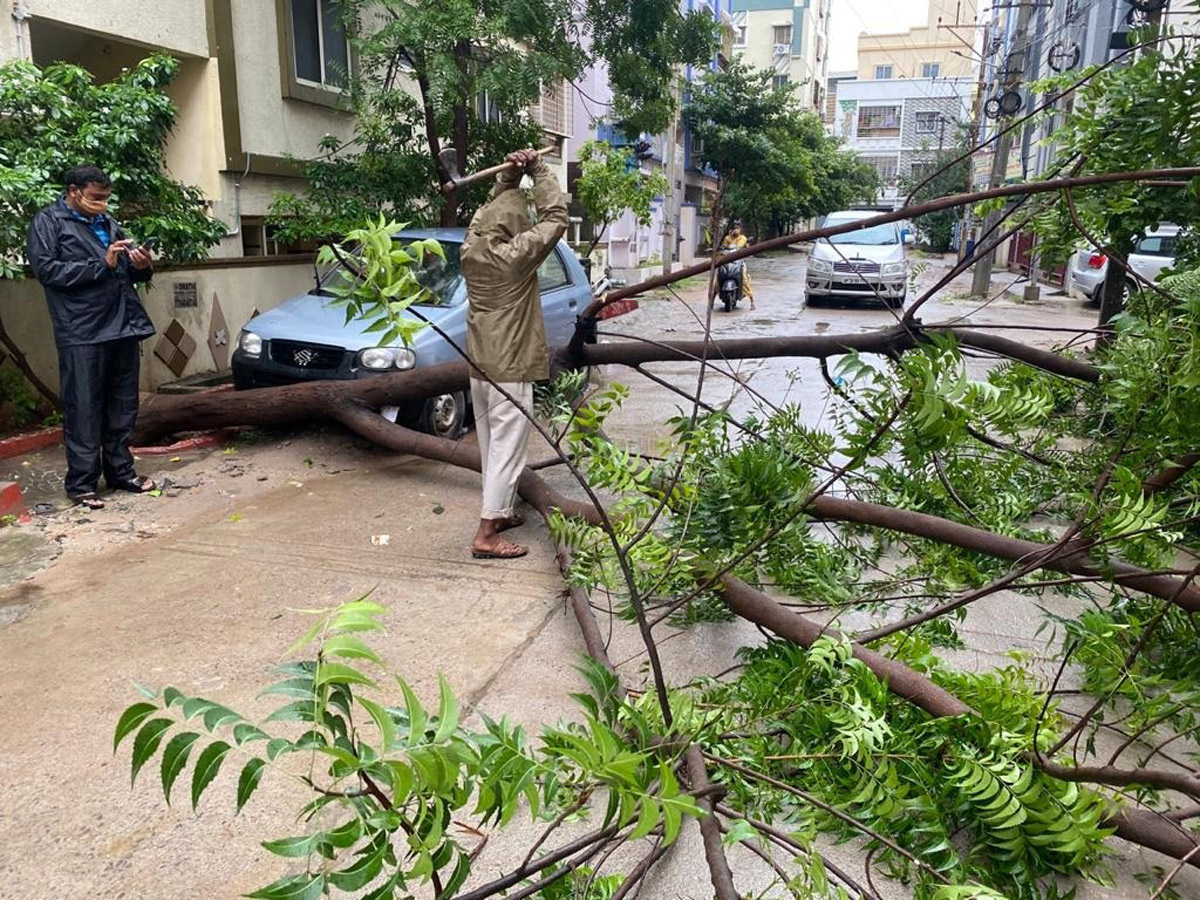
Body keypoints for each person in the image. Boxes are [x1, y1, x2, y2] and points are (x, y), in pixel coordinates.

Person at [26, 165, 158, 509]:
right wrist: (103, 263)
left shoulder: (108, 223)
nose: (103, 203)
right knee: (84, 406)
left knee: (122, 405)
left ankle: (121, 472)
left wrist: (141, 265)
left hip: (123, 324)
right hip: (82, 330)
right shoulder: (49, 222)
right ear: (73, 191)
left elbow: (122, 268)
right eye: (96, 197)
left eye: (106, 197)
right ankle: (82, 483)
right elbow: (47, 270)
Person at [460, 149, 568, 559]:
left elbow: (484, 212)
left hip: (479, 364)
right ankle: (486, 534)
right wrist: (539, 170)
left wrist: (508, 176)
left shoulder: (470, 249)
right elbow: (555, 219)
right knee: (508, 447)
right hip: (509, 366)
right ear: (516, 225)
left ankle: (500, 512)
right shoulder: (515, 257)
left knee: (491, 445)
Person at [722, 222, 756, 310]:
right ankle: (712, 300)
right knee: (718, 277)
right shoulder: (727, 238)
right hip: (727, 261)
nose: (735, 230)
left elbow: (739, 246)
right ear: (731, 230)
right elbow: (724, 248)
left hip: (739, 262)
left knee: (744, 279)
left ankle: (752, 301)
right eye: (734, 228)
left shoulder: (742, 238)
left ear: (740, 230)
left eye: (737, 228)